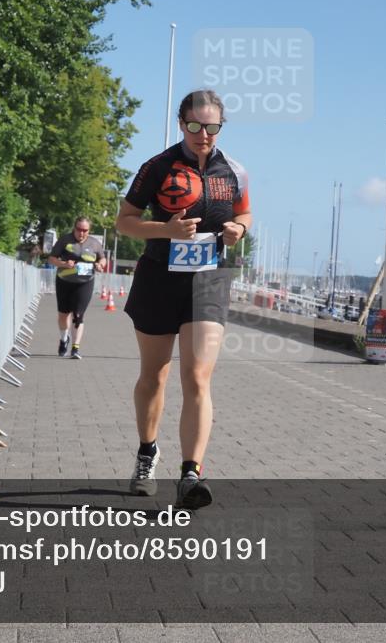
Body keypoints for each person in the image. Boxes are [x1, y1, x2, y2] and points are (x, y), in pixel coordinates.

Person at [115, 89, 251, 510]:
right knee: (154, 376)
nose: (204, 135)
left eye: (212, 127)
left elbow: (244, 214)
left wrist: (238, 231)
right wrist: (166, 231)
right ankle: (146, 451)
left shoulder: (236, 172)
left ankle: (191, 473)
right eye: (195, 126)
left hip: (208, 280)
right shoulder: (156, 167)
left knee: (197, 377)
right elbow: (125, 223)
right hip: (159, 277)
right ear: (181, 124)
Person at [48, 217, 106, 359]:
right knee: (63, 315)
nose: (81, 233)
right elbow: (51, 258)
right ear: (74, 228)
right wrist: (63, 264)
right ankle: (63, 340)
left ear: (89, 230)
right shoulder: (64, 240)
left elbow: (102, 258)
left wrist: (100, 265)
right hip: (64, 281)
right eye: (79, 230)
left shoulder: (94, 243)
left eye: (85, 230)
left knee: (78, 315)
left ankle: (75, 348)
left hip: (85, 282)